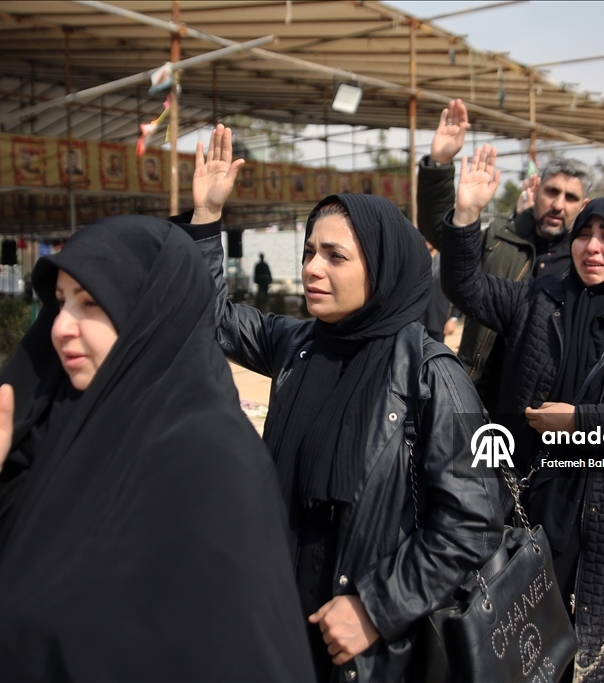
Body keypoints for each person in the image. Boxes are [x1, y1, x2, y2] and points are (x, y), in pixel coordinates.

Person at [0, 216, 314, 682]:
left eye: (90, 303)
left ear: (152, 314)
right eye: (60, 301)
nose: (62, 326)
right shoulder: (47, 429)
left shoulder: (217, 472)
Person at [175, 125, 504, 682]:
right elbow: (213, 320)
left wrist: (377, 607)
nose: (311, 269)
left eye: (335, 256)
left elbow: (474, 522)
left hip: (367, 647)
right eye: (309, 252)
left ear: (381, 266)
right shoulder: (299, 344)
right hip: (280, 619)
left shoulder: (435, 377)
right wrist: (207, 217)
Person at [439, 146, 604, 683]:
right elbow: (464, 286)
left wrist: (582, 421)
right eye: (586, 233)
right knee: (528, 650)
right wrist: (466, 214)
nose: (593, 246)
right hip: (536, 507)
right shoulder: (540, 299)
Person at [416, 99, 592, 412]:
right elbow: (443, 234)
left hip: (548, 408)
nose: (558, 204)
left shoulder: (586, 262)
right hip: (479, 395)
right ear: (535, 191)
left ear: (584, 206)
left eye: (571, 197)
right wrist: (440, 164)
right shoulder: (499, 238)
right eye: (551, 192)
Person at [418, 242, 461, 343]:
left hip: (437, 323)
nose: (426, 241)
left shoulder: (448, 262)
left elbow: (458, 291)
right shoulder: (417, 259)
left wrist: (453, 319)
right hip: (416, 322)